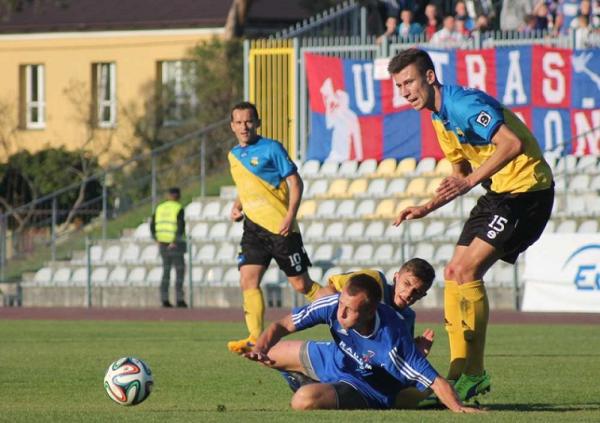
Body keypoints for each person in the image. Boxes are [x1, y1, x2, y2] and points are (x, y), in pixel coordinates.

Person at [388, 49, 554, 403]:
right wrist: (426, 207)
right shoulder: (438, 118)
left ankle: (474, 373)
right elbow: (460, 176)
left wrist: (469, 183)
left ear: (429, 77)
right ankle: (457, 376)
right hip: (499, 192)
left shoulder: (462, 104)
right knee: (453, 272)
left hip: (527, 191)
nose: (404, 91)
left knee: (466, 269)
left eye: (409, 82)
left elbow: (512, 143)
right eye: (399, 86)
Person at [243, 273, 481, 413]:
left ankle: (309, 385)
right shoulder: (335, 305)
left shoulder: (392, 341)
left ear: (369, 312)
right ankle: (312, 379)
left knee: (303, 401)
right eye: (342, 305)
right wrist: (260, 347)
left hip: (364, 388)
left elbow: (435, 380)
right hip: (335, 358)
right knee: (269, 353)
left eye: (350, 310)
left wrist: (459, 408)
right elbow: (284, 325)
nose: (341, 313)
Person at [227, 101, 323, 354]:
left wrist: (290, 215)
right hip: (253, 229)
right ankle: (254, 337)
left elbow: (295, 181)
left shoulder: (271, 148)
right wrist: (237, 205)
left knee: (302, 285)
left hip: (281, 229)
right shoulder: (234, 155)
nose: (244, 126)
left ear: (257, 123)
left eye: (249, 121)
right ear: (232, 126)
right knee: (248, 279)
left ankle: (346, 310)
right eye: (239, 122)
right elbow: (245, 186)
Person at [150, 187, 187, 308]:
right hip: (174, 244)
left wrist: (156, 239)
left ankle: (164, 299)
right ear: (178, 196)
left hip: (162, 243)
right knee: (179, 270)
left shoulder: (159, 208)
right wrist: (175, 240)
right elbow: (180, 226)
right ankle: (179, 299)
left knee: (166, 271)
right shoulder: (178, 208)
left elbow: (152, 225)